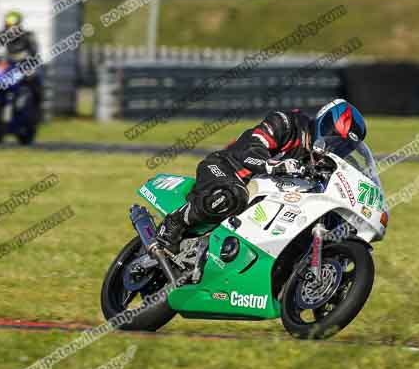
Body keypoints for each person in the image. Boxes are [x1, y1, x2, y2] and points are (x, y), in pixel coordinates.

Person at [157, 99, 368, 254]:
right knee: (235, 194)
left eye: (342, 148)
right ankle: (174, 222)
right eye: (334, 139)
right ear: (324, 123)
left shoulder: (319, 164)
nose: (334, 148)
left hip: (260, 195)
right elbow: (253, 146)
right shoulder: (285, 123)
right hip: (226, 167)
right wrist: (273, 165)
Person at [0, 11, 43, 115]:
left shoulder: (27, 36)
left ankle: (37, 108)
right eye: (9, 25)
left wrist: (31, 60)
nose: (11, 28)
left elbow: (34, 51)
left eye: (14, 25)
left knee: (34, 79)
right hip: (6, 65)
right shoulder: (1, 35)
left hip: (22, 66)